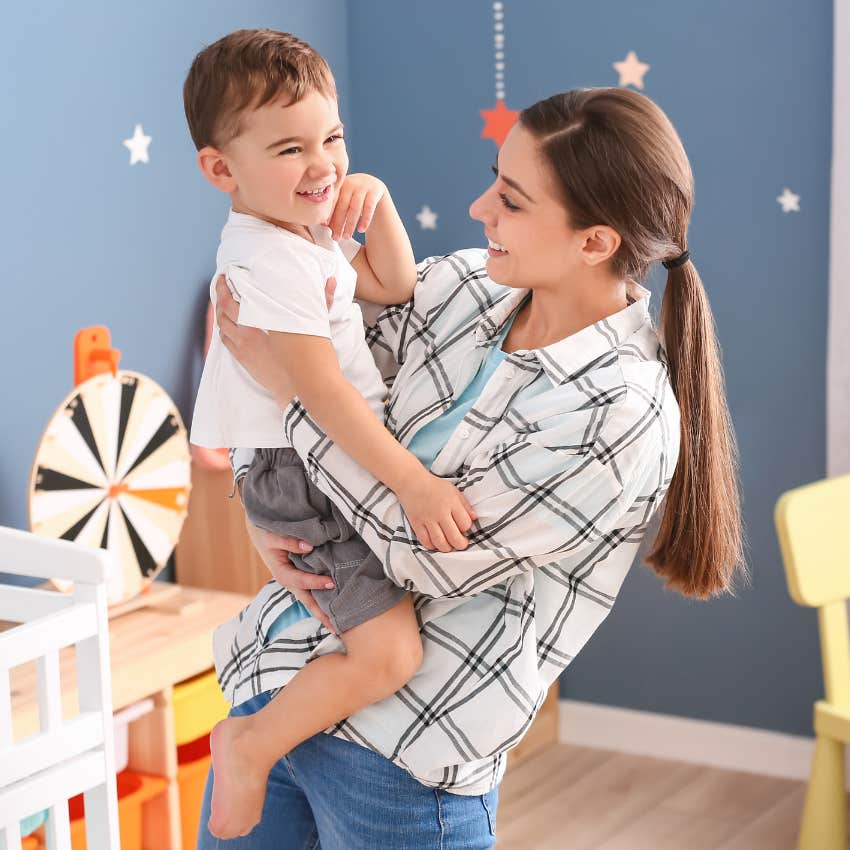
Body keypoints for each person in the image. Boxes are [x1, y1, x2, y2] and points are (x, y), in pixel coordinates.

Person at [199, 86, 744, 849]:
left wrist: (295, 395)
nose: (478, 206)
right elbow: (308, 354)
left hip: (402, 757)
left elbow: (427, 558)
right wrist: (265, 515)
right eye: (496, 177)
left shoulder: (619, 419)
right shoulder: (466, 286)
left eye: (512, 200)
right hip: (276, 679)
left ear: (596, 242)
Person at [184, 29, 478, 839]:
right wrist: (413, 485)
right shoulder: (266, 260)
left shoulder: (299, 232)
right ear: (222, 170)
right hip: (304, 467)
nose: (322, 166)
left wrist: (371, 198)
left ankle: (267, 734)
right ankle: (252, 744)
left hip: (312, 456)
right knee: (390, 656)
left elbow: (393, 283)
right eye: (290, 148)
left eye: (333, 139)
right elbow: (322, 398)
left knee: (387, 638)